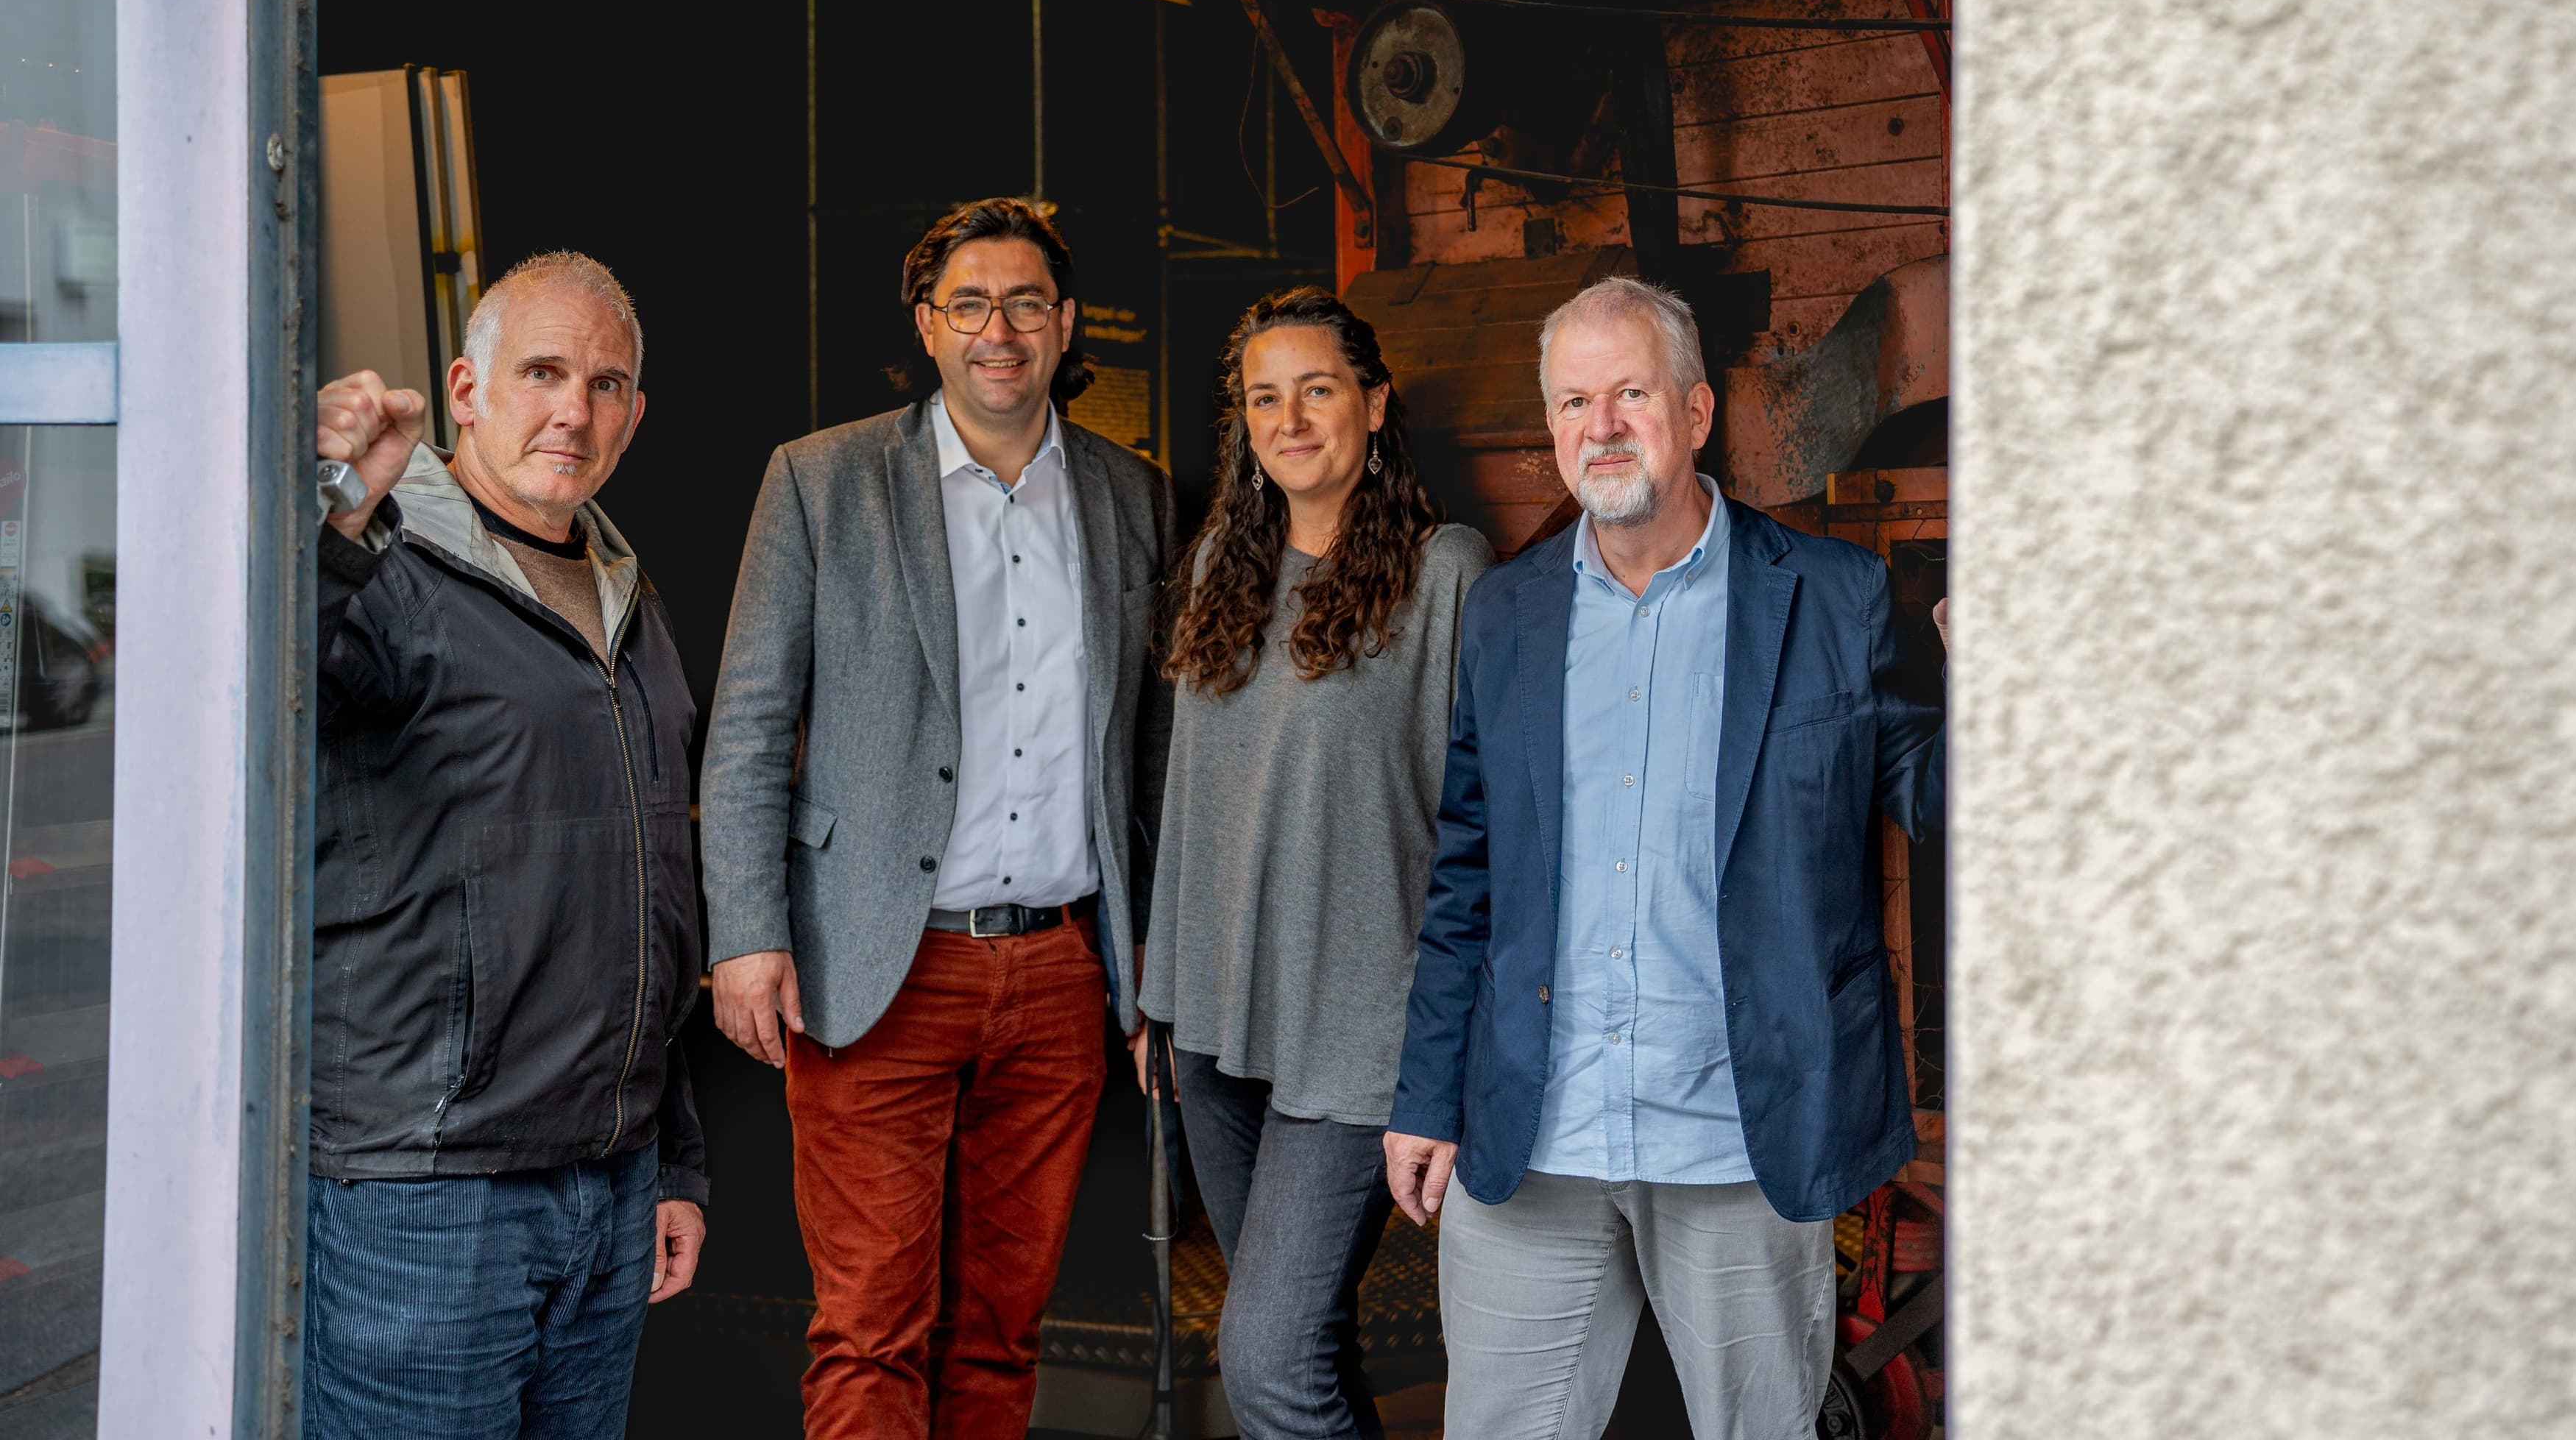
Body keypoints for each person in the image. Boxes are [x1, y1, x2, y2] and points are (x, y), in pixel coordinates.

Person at [1384, 276, 1947, 1439]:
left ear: (1695, 412)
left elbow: (1943, 804)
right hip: (1536, 1129)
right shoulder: (1507, 613)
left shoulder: (1832, 597)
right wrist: (1427, 1096)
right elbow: (1467, 875)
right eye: (1573, 401)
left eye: (1630, 393)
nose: (1601, 425)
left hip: (1741, 1132)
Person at [701, 196, 1175, 1439]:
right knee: (871, 1326)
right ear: (927, 325)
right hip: (878, 958)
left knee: (1003, 1330)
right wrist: (746, 932)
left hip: (1062, 974)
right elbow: (749, 721)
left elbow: (1154, 757)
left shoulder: (1133, 496)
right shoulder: (821, 480)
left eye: (1025, 304)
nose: (997, 331)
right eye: (969, 305)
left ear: (1066, 323)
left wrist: (1155, 970)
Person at [305, 252, 708, 1440]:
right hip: (428, 1194)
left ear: (634, 415)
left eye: (605, 384)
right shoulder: (381, 569)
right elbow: (246, 690)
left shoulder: (628, 596)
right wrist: (329, 512)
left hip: (610, 1182)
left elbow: (641, 898)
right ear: (466, 390)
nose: (573, 410)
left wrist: (672, 1157)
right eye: (541, 373)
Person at [1139, 290, 1492, 1439]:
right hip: (1215, 1025)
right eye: (1263, 399)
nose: (1288, 420)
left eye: (1318, 390)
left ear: (1375, 404)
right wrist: (1159, 998)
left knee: (1269, 1366)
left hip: (1359, 1031)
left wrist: (1448, 1050)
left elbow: (1483, 825)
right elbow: (1188, 798)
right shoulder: (1217, 570)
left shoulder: (1447, 574)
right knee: (1310, 1346)